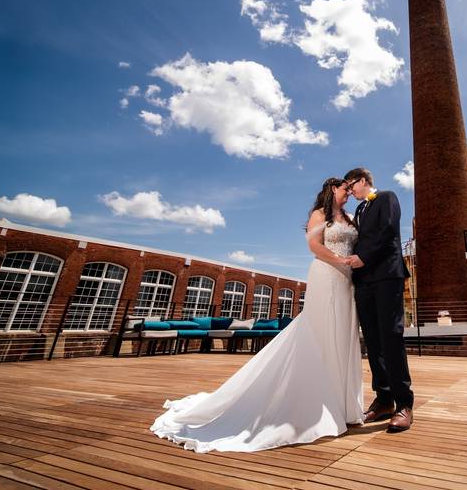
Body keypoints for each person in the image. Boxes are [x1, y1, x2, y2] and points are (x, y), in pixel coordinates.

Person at [150, 178, 364, 452]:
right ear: (333, 189)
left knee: (343, 336)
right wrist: (342, 261)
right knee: (323, 333)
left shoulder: (348, 216)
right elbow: (314, 247)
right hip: (327, 275)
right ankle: (322, 403)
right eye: (346, 189)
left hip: (347, 282)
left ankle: (344, 405)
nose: (349, 193)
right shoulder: (319, 214)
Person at [344, 167, 414, 432]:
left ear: (363, 180)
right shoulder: (360, 210)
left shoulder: (387, 197)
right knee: (372, 340)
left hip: (386, 275)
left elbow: (387, 231)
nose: (350, 191)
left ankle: (404, 404)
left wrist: (365, 258)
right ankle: (383, 399)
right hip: (364, 281)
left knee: (391, 336)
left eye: (352, 186)